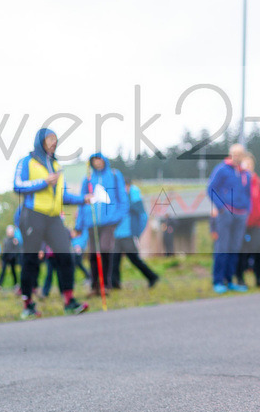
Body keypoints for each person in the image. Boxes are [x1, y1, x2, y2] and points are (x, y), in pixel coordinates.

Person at [13, 128, 90, 317]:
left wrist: (83, 199)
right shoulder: (26, 162)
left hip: (54, 218)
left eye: (55, 139)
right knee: (31, 260)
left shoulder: (56, 166)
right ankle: (28, 305)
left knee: (66, 256)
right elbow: (17, 186)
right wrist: (44, 182)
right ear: (40, 141)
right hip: (33, 215)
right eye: (50, 139)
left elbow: (62, 195)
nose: (53, 143)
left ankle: (69, 301)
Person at [74, 153, 128, 290]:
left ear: (104, 160)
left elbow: (122, 196)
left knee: (104, 249)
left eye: (99, 160)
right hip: (91, 221)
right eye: (94, 160)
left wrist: (118, 216)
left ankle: (106, 283)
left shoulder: (114, 175)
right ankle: (95, 284)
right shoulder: (87, 179)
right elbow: (82, 201)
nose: (97, 163)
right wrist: (79, 224)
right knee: (93, 254)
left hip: (109, 221)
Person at [206, 143, 251, 294]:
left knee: (234, 248)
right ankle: (218, 281)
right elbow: (210, 189)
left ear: (244, 155)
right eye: (234, 153)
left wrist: (247, 210)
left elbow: (248, 194)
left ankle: (229, 280)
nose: (237, 157)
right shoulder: (222, 169)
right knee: (222, 247)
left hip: (241, 214)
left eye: (240, 154)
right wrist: (221, 208)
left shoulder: (245, 173)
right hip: (226, 214)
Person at [111, 177, 160, 289]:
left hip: (128, 234)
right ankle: (115, 284)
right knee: (114, 260)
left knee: (134, 259)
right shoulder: (118, 198)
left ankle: (152, 277)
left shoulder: (134, 196)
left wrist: (137, 233)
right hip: (117, 235)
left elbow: (143, 216)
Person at [237, 156, 260, 288]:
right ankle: (240, 278)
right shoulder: (238, 180)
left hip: (257, 222)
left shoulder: (258, 181)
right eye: (245, 163)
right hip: (241, 222)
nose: (248, 166)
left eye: (250, 163)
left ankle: (259, 278)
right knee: (241, 252)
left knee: (258, 250)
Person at [0, 224, 22, 291]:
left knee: (13, 271)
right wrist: (2, 258)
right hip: (5, 258)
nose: (9, 233)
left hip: (12, 258)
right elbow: (4, 249)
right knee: (3, 271)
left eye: (10, 231)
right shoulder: (5, 240)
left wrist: (14, 256)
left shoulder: (14, 240)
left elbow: (16, 250)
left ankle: (16, 284)